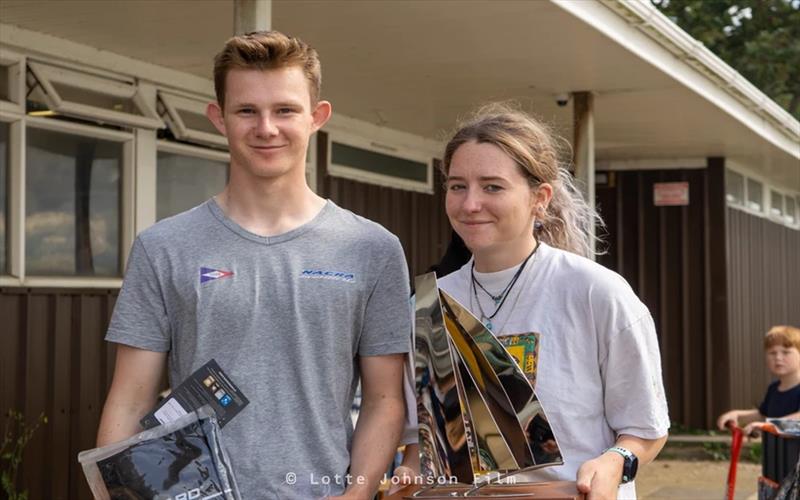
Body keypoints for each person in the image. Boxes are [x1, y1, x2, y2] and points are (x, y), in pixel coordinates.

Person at [96, 31, 411, 500]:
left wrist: (358, 494)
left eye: (285, 110)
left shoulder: (372, 248)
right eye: (247, 110)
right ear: (218, 119)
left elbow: (385, 400)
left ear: (316, 117)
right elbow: (130, 398)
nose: (266, 128)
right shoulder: (164, 246)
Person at [392, 104, 669, 499]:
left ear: (539, 198)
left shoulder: (596, 293)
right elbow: (428, 445)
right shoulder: (427, 304)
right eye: (457, 186)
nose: (470, 204)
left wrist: (613, 463)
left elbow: (645, 429)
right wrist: (408, 471)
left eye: (492, 187)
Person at [717, 325, 800, 436]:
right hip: (776, 452)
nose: (778, 358)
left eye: (785, 352)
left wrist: (768, 426)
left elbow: (797, 425)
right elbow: (764, 415)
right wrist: (737, 415)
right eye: (772, 353)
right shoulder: (774, 388)